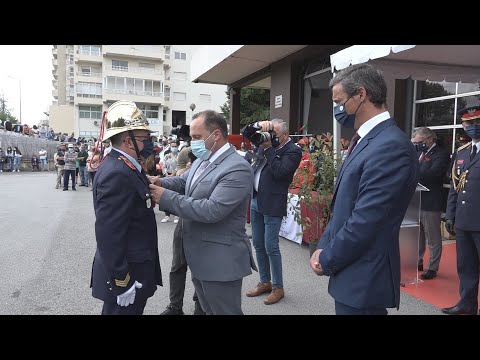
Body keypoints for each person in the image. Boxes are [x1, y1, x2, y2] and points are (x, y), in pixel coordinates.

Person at [309, 63, 418, 315]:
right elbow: (343, 206)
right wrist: (322, 245)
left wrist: (327, 258)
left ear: (360, 94)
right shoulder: (367, 139)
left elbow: (367, 219)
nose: (337, 109)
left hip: (365, 275)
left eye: (339, 101)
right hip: (351, 269)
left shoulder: (391, 146)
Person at [149, 110, 256, 315]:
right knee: (208, 310)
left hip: (220, 260)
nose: (193, 142)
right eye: (192, 137)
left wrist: (165, 197)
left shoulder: (237, 168)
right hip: (200, 255)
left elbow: (212, 210)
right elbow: (183, 182)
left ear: (216, 134)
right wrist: (160, 181)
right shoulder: (203, 159)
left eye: (197, 137)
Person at [90, 100, 162, 315]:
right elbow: (109, 233)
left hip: (136, 265)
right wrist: (122, 280)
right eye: (144, 138)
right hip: (127, 273)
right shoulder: (117, 172)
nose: (149, 144)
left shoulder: (127, 167)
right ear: (128, 141)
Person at [241, 118, 302, 305]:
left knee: (271, 246)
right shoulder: (264, 139)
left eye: (274, 133)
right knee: (258, 244)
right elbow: (245, 133)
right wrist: (258, 126)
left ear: (284, 135)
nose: (270, 136)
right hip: (256, 199)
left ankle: (278, 287)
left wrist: (268, 148)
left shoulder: (293, 151)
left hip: (273, 202)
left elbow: (281, 173)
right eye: (270, 132)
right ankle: (265, 282)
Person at [441, 106, 480, 315]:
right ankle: (467, 304)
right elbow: (456, 187)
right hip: (464, 222)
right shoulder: (462, 153)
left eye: (476, 123)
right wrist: (450, 214)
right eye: (468, 124)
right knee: (466, 267)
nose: (472, 127)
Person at [411, 127, 450, 280]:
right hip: (416, 199)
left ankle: (433, 267)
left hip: (431, 200)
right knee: (417, 234)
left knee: (432, 236)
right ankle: (418, 260)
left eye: (419, 142)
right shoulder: (418, 152)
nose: (417, 145)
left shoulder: (441, 153)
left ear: (429, 139)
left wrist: (412, 173)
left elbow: (434, 174)